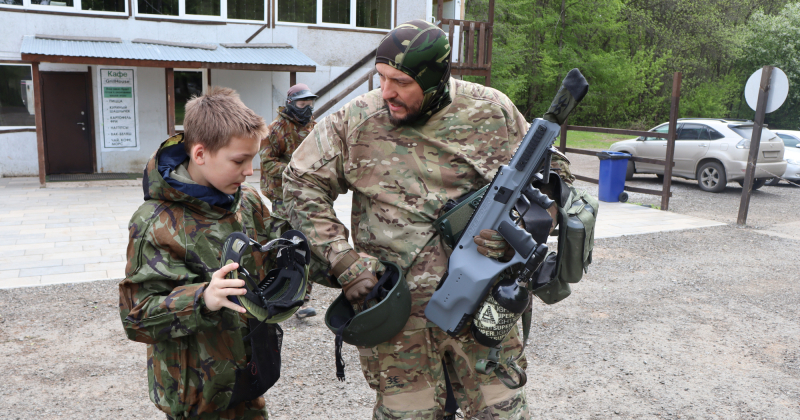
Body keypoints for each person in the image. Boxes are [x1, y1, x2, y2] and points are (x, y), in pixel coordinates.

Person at [283, 20, 574, 419]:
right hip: (399, 323)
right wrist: (343, 260)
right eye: (381, 77)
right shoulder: (358, 120)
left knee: (501, 413)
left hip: (485, 312)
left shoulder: (492, 111)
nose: (386, 92)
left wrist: (524, 226)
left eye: (400, 81)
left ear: (436, 77)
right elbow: (299, 182)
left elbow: (556, 178)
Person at [119, 87, 283, 420]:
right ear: (199, 154)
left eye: (253, 159)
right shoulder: (156, 222)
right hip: (197, 396)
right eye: (239, 161)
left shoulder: (247, 203)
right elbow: (136, 317)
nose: (250, 171)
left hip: (249, 379)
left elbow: (272, 256)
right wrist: (202, 299)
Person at [260, 83, 319, 318]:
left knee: (307, 245)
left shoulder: (314, 127)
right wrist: (295, 169)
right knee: (280, 246)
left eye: (310, 104)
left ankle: (302, 301)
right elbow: (266, 163)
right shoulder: (274, 130)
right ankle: (273, 295)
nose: (306, 109)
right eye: (302, 104)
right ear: (290, 104)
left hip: (308, 195)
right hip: (282, 198)